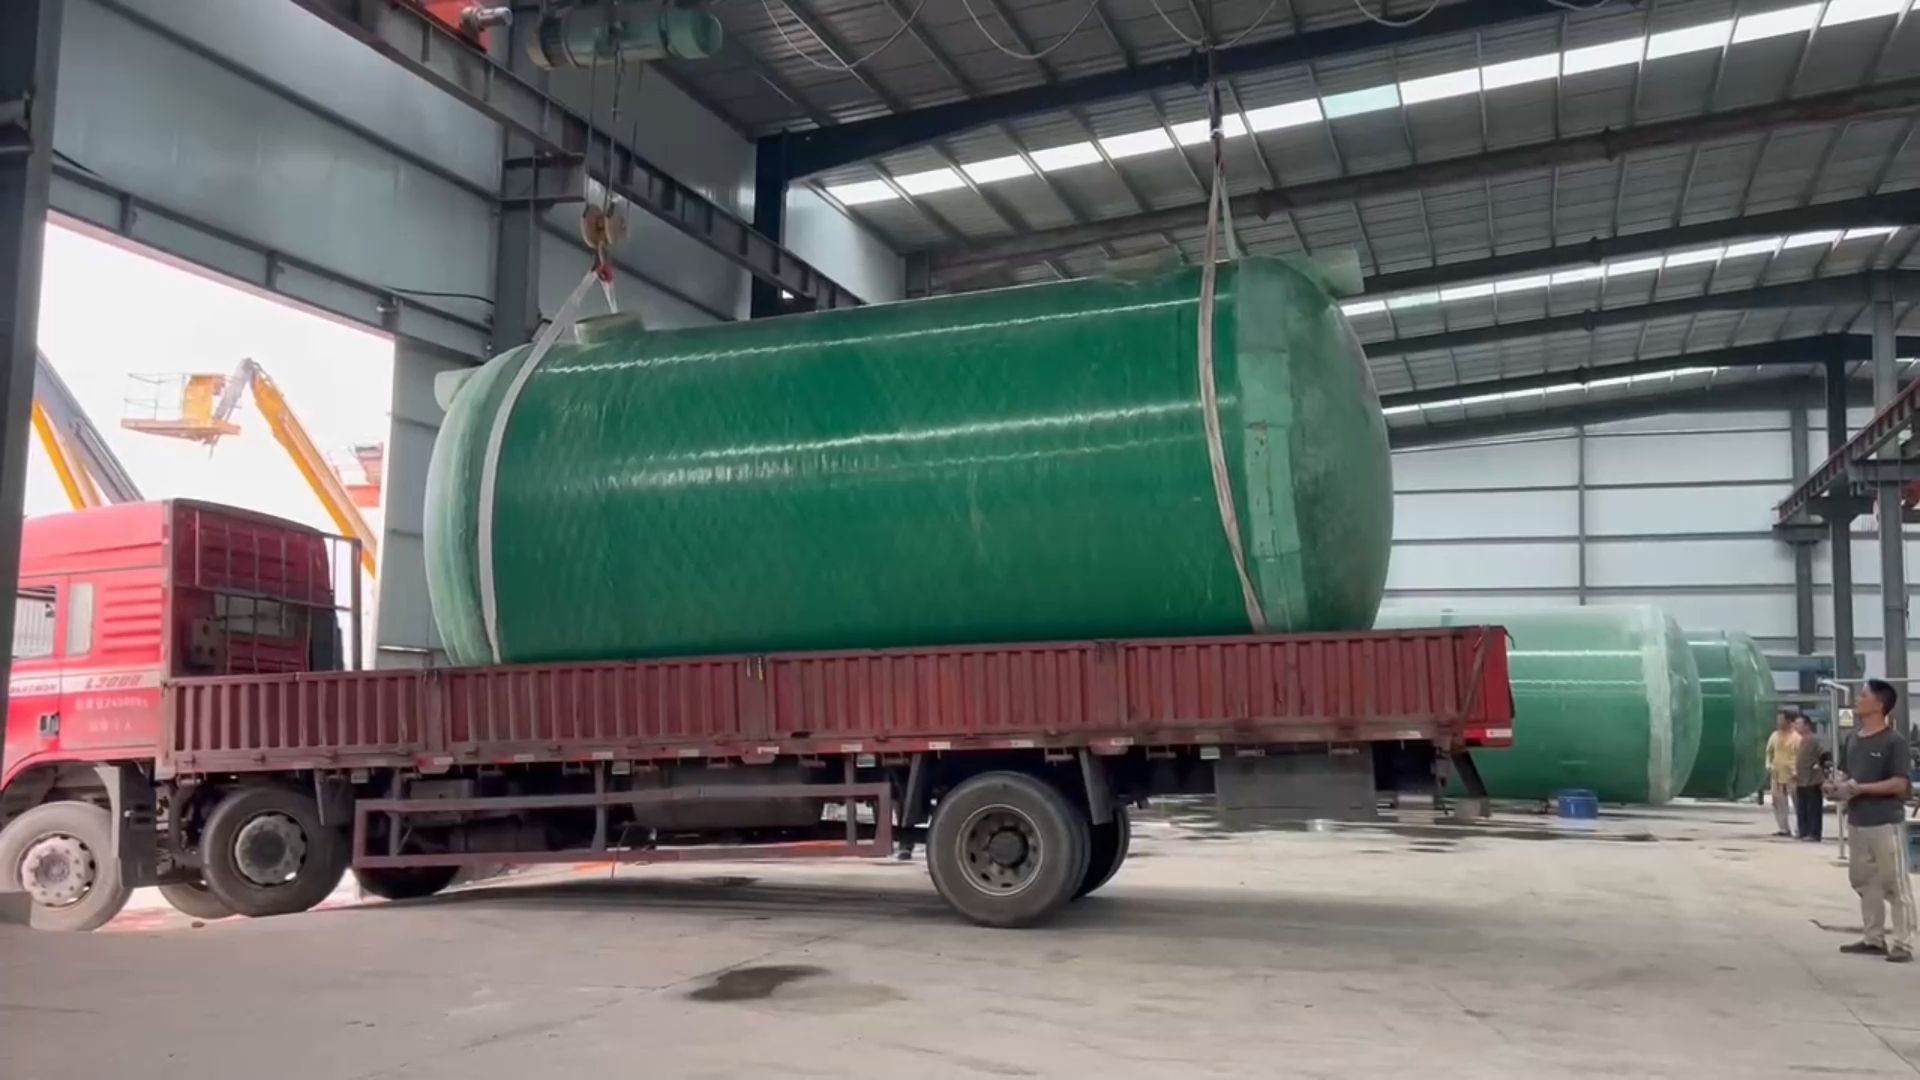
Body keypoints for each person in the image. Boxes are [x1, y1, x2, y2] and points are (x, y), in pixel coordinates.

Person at [1831, 679, 1915, 963]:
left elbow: (1900, 784)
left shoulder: (1894, 742)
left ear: (1879, 704)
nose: (1857, 699)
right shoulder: (1852, 739)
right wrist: (1836, 786)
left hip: (1885, 823)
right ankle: (1873, 938)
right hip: (1857, 821)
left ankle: (1903, 943)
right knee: (1864, 881)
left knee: (1895, 884)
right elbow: (1845, 774)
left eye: (1863, 695)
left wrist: (1860, 788)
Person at [1792, 714, 1826, 842]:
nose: (1796, 726)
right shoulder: (1800, 740)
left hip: (1812, 780)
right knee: (1802, 807)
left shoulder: (1814, 739)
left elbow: (1824, 754)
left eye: (1798, 723)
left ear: (1807, 725)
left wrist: (1819, 765)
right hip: (1801, 780)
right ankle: (1803, 831)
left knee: (1813, 808)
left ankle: (1813, 833)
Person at [1767, 712, 1801, 837]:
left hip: (1793, 775)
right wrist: (1769, 765)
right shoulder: (1774, 736)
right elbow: (1769, 752)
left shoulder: (1797, 737)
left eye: (1781, 720)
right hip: (1777, 774)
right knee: (1778, 802)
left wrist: (1797, 770)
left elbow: (1800, 755)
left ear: (1789, 721)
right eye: (1778, 720)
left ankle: (1800, 828)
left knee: (1797, 802)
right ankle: (1783, 828)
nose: (1778, 722)